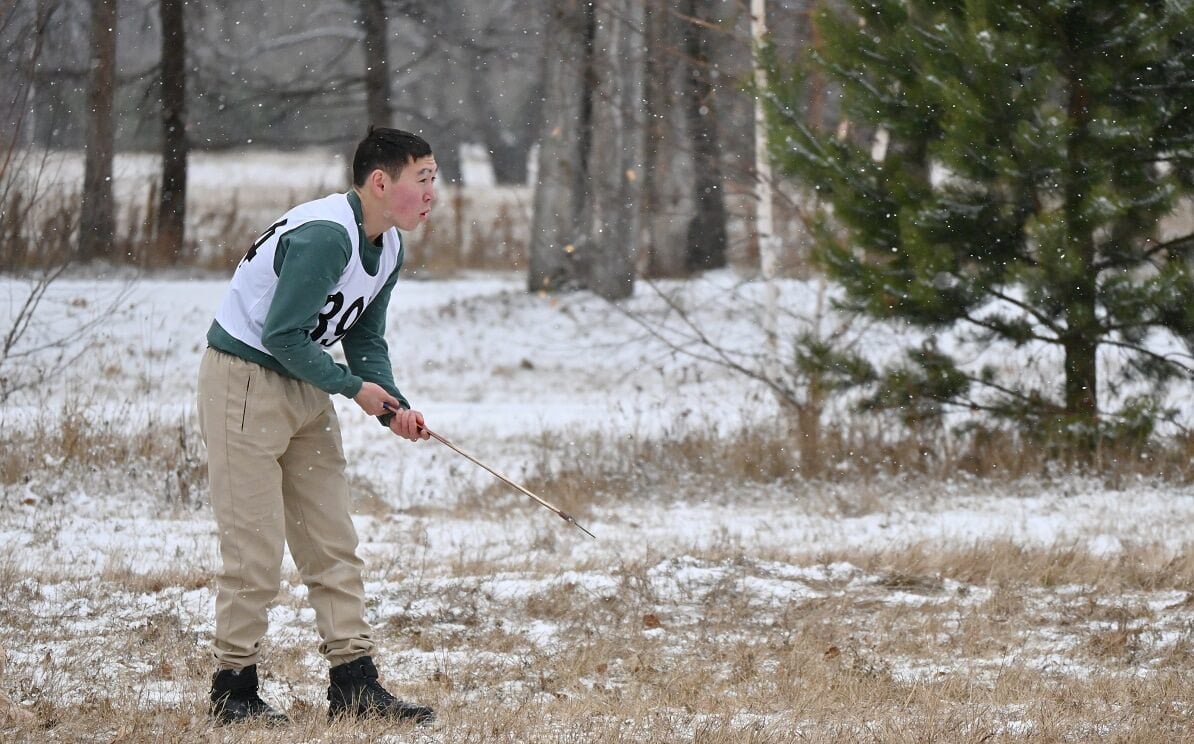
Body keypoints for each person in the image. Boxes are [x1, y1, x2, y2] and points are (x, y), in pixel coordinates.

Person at [196, 127, 436, 726]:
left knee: (332, 542)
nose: (433, 193)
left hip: (306, 382)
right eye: (423, 180)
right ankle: (234, 689)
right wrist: (353, 389)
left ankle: (354, 681)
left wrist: (392, 404)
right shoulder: (328, 236)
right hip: (245, 381)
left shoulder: (389, 245)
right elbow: (279, 334)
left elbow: (363, 337)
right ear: (381, 182)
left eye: (435, 179)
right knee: (253, 551)